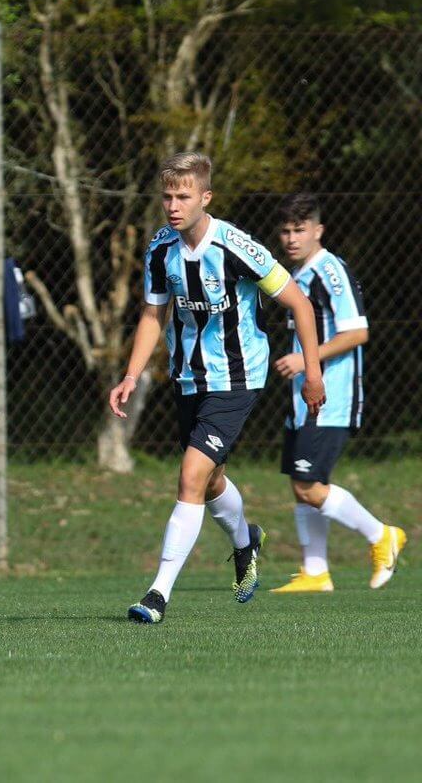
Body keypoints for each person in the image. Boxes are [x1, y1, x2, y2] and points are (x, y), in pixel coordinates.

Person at [109, 152, 325, 625]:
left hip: (237, 377)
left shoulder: (235, 247)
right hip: (189, 378)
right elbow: (153, 314)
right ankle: (246, 541)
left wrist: (314, 373)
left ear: (205, 198)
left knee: (189, 476)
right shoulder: (161, 248)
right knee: (209, 482)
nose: (172, 204)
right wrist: (130, 375)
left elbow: (299, 303)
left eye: (183, 196)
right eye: (166, 195)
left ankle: (157, 594)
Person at [267, 194, 406, 593]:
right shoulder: (299, 274)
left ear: (318, 230)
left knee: (308, 486)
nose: (292, 238)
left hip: (332, 397)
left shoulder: (330, 271)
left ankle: (381, 535)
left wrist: (305, 359)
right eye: (286, 231)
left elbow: (358, 331)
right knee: (302, 481)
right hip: (304, 399)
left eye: (300, 230)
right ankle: (315, 571)